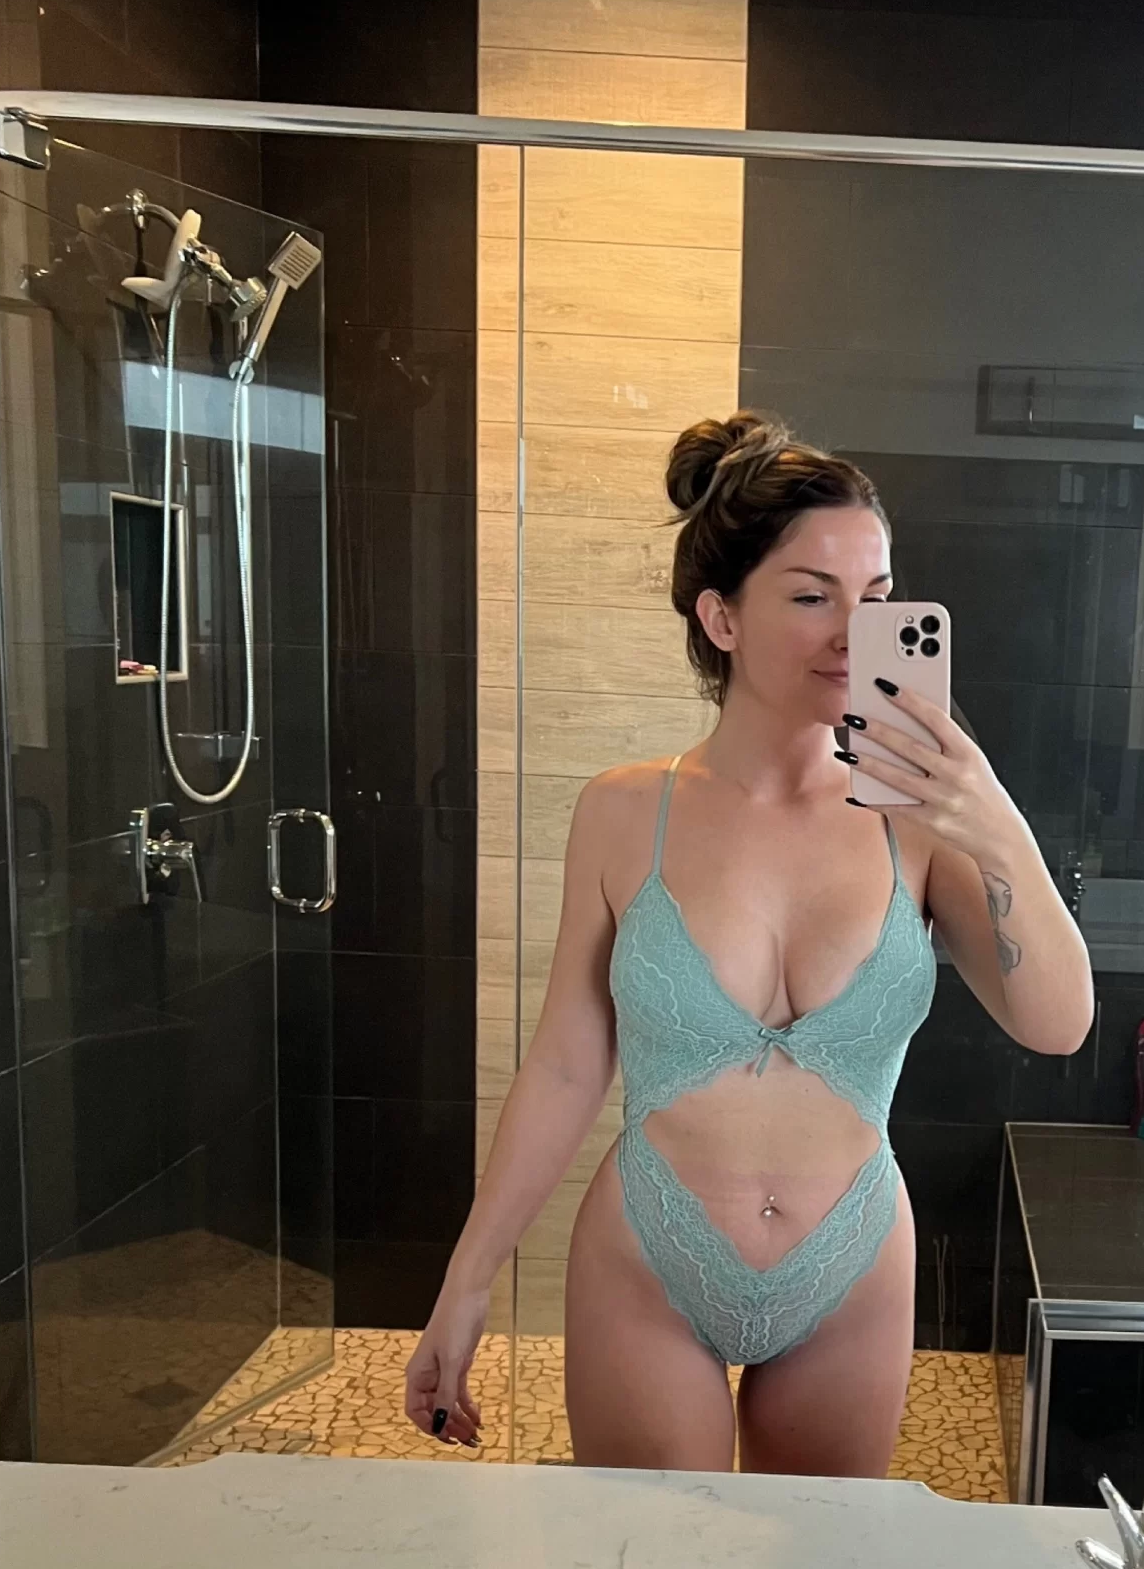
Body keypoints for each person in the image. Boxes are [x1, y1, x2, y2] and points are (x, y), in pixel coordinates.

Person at [403, 412, 1095, 1471]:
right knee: (650, 1561)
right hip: (648, 1256)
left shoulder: (922, 823)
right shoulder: (624, 812)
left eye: (875, 597)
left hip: (852, 1261)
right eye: (812, 596)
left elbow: (1059, 1025)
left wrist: (993, 817)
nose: (852, 633)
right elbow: (566, 1066)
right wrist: (467, 1282)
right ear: (720, 617)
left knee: (815, 1565)